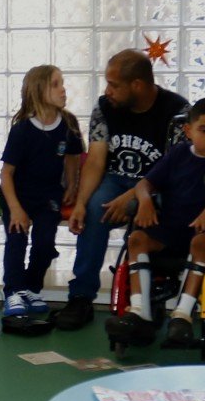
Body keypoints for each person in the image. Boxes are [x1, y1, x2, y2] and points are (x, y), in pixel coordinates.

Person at [55, 49, 188, 330]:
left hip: (157, 186)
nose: (108, 91)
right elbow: (95, 161)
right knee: (93, 211)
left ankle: (144, 299)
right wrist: (80, 202)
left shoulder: (177, 111)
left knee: (144, 221)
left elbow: (173, 169)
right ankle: (81, 296)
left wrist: (133, 197)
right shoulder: (105, 107)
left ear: (137, 85)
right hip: (116, 180)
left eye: (114, 84)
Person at [116, 99, 205, 347]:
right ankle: (140, 311)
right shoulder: (178, 154)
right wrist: (144, 201)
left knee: (201, 241)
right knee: (137, 239)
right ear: (189, 131)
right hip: (172, 228)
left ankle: (182, 316)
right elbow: (145, 184)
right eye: (204, 131)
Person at [0, 64, 84, 320]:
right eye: (56, 84)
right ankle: (13, 290)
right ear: (38, 90)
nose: (63, 89)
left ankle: (31, 288)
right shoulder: (22, 129)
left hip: (48, 195)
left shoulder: (68, 123)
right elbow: (6, 174)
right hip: (17, 195)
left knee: (45, 242)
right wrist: (15, 210)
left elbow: (72, 157)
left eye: (62, 82)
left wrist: (71, 185)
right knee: (17, 238)